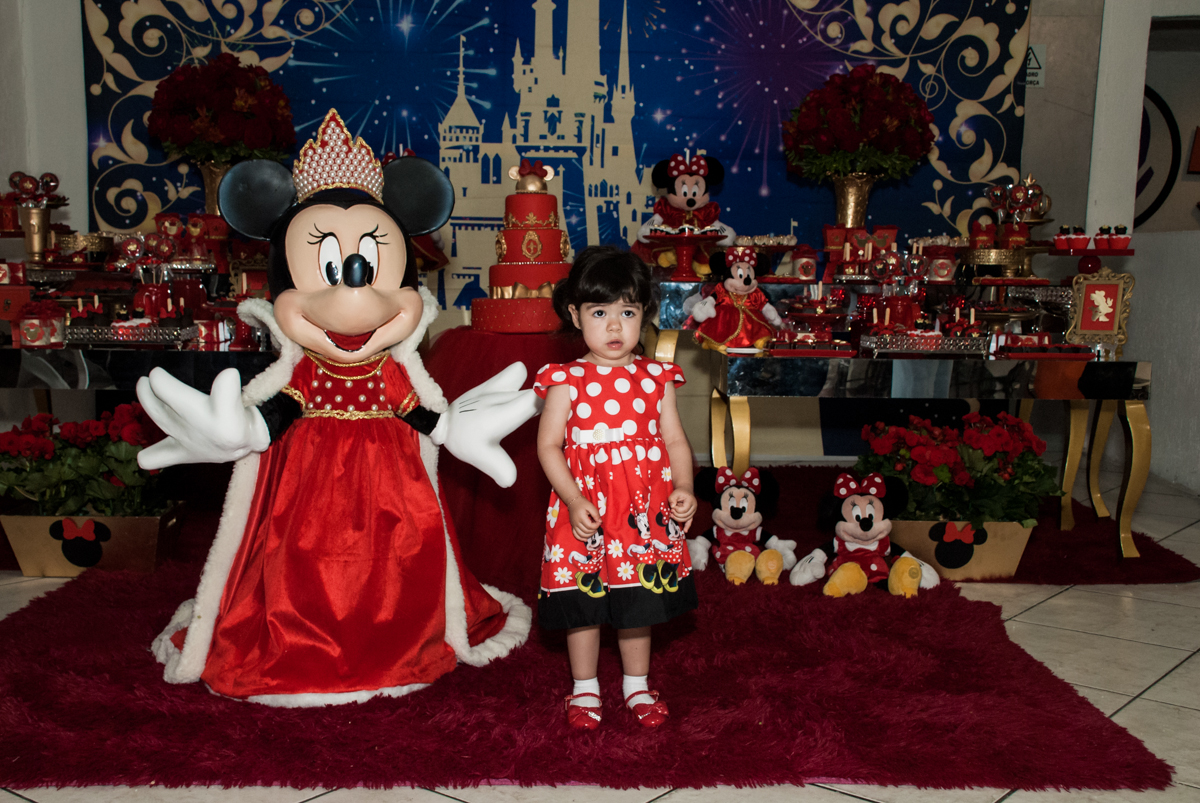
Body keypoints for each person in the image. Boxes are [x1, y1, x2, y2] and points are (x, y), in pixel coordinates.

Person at [534, 245, 698, 729]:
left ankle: (636, 686)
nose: (613, 326)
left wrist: (684, 486)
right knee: (583, 606)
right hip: (583, 509)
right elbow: (549, 447)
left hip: (643, 513)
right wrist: (573, 497)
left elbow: (674, 439)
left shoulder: (657, 377)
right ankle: (584, 690)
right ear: (575, 314)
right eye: (599, 312)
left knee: (635, 603)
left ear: (644, 314)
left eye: (627, 312)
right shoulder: (566, 379)